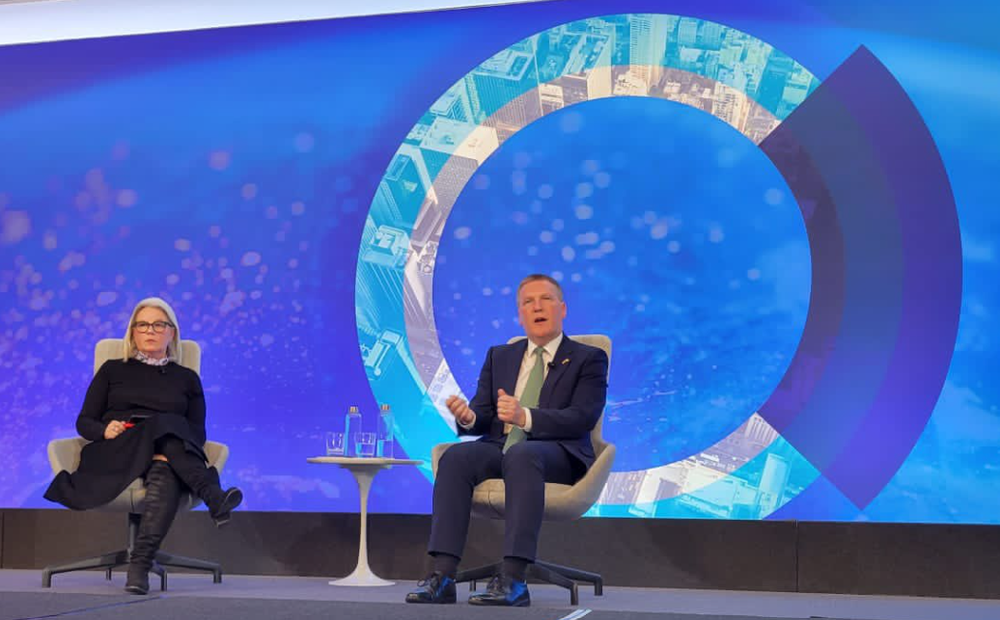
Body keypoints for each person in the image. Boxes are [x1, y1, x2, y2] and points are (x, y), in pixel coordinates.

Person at [406, 274, 608, 607]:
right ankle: (442, 576)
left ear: (562, 309)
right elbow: (483, 414)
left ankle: (514, 579)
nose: (537, 307)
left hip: (559, 452)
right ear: (520, 314)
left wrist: (524, 417)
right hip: (502, 447)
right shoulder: (500, 356)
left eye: (545, 299)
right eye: (528, 302)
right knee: (455, 458)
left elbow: (582, 418)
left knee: (523, 455)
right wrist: (469, 418)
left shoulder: (588, 358)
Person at [44, 297, 243, 595]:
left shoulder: (187, 378)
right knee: (164, 423)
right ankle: (213, 495)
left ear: (171, 333)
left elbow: (197, 434)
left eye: (159, 324)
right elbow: (84, 422)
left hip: (169, 452)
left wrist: (164, 444)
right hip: (117, 448)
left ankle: (139, 566)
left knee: (165, 460)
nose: (150, 330)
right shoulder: (113, 370)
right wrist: (104, 429)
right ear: (133, 332)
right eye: (143, 325)